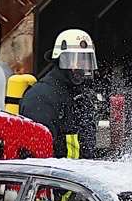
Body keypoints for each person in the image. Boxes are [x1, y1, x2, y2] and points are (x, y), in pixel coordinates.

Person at [19, 28, 100, 159]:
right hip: (54, 172)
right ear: (62, 59)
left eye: (86, 60)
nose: (83, 66)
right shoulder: (41, 98)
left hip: (78, 171)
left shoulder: (81, 96)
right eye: (77, 60)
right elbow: (38, 157)